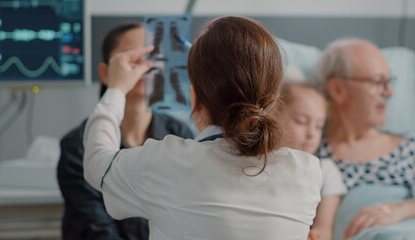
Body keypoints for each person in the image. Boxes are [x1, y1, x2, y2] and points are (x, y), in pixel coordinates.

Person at [82, 16, 322, 239]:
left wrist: (115, 90)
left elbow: (97, 163)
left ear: (194, 96)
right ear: (273, 95)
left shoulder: (165, 164)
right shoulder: (308, 172)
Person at [57, 22, 194, 240]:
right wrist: (117, 89)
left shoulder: (179, 134)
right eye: (131, 58)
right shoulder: (77, 145)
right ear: (105, 73)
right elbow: (95, 230)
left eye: (152, 56)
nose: (144, 66)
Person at [316, 38, 415, 239]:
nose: (389, 92)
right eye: (378, 82)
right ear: (338, 90)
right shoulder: (312, 155)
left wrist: (398, 210)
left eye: (389, 81)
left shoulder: (410, 148)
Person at [278, 81, 347, 240]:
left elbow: (324, 229)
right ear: (274, 117)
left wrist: (316, 236)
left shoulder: (327, 171)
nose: (311, 134)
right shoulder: (260, 162)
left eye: (318, 126)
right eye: (301, 122)